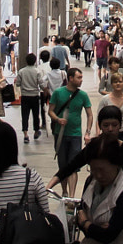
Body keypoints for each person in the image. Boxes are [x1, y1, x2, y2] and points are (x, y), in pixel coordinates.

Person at [50, 64, 94, 197]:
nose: (81, 80)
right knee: (63, 165)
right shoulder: (58, 93)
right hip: (60, 133)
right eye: (79, 77)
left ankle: (72, 195)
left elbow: (90, 114)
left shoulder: (83, 95)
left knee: (73, 165)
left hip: (75, 134)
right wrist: (58, 119)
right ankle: (64, 191)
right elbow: (50, 111)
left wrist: (87, 131)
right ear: (70, 78)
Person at [17, 52, 47, 138]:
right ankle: (36, 131)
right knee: (35, 114)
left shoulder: (21, 71)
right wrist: (45, 89)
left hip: (25, 96)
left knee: (25, 115)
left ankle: (25, 134)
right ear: (35, 61)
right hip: (34, 96)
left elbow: (18, 83)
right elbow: (41, 83)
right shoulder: (37, 71)